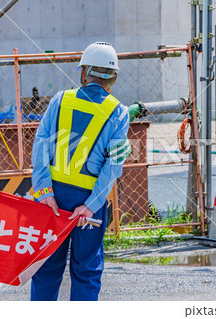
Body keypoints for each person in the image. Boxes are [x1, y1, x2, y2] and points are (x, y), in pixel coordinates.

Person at [30, 42, 131, 301]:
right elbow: (112, 167)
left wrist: (44, 192)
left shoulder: (59, 101)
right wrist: (90, 206)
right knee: (86, 270)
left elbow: (40, 147)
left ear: (83, 72)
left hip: (53, 197)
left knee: (46, 267)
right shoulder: (119, 113)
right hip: (89, 202)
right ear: (114, 78)